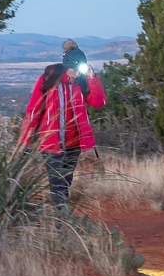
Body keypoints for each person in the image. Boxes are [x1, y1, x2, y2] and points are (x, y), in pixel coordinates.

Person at [17, 49, 105, 207]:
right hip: (51, 144)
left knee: (65, 182)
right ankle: (61, 221)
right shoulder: (48, 80)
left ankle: (60, 220)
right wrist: (25, 141)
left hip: (73, 144)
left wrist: (93, 79)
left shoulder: (82, 82)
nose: (77, 75)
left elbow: (99, 102)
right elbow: (34, 111)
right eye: (75, 71)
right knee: (57, 184)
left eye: (79, 71)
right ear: (67, 67)